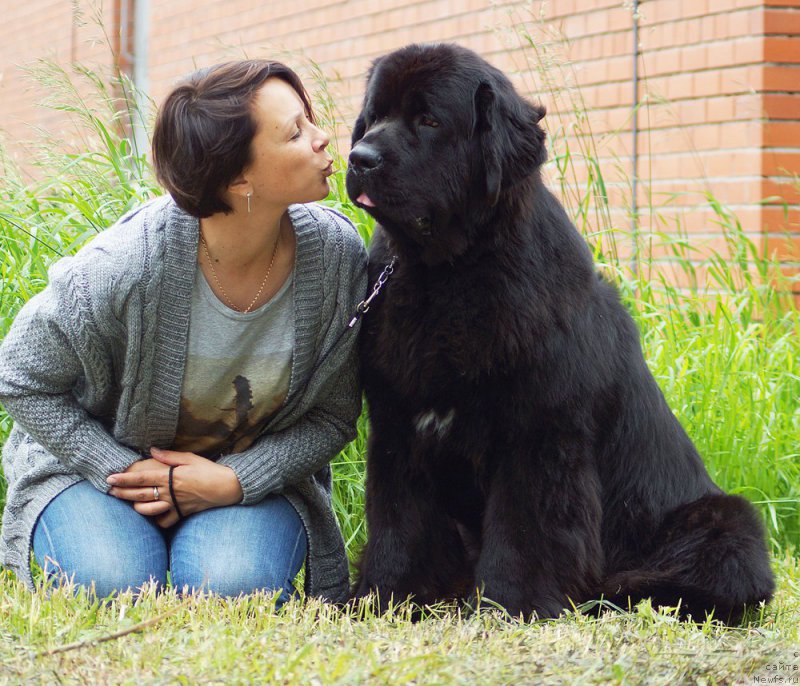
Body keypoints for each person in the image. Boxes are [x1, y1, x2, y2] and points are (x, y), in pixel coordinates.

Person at [0, 59, 367, 605]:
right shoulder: (127, 267)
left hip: (245, 484)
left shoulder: (337, 259)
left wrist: (237, 480)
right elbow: (19, 374)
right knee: (114, 584)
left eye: (308, 120)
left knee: (232, 588)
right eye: (295, 132)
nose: (322, 139)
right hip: (101, 474)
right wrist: (122, 470)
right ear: (238, 178)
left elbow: (334, 416)